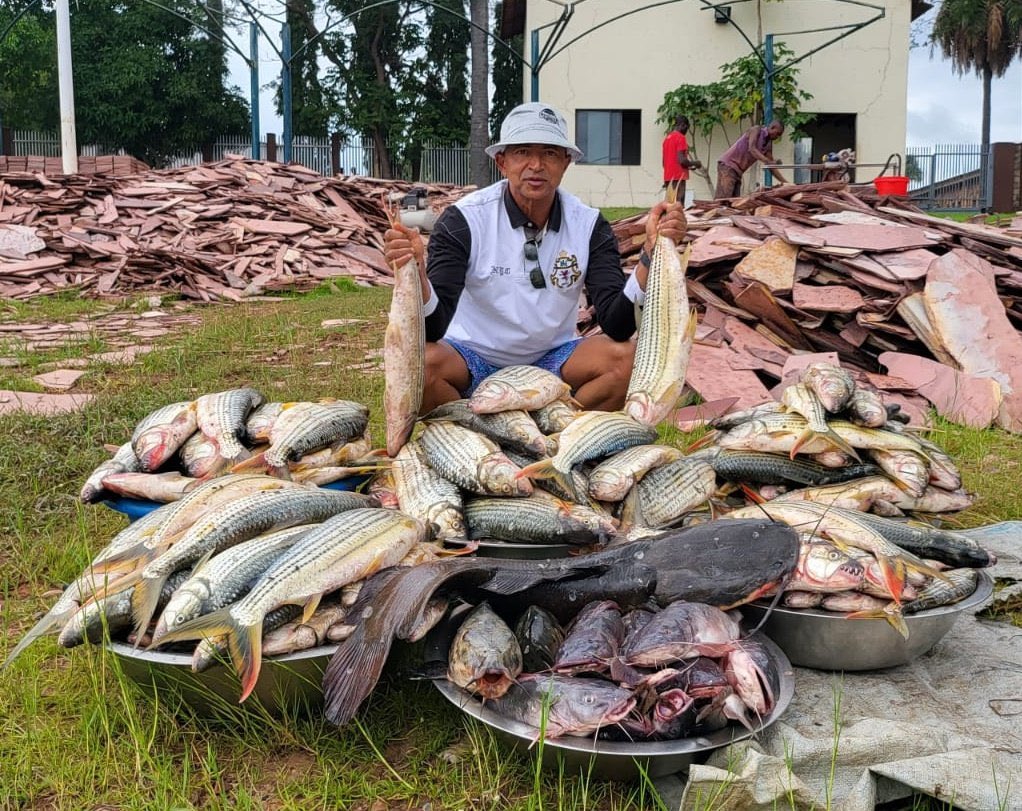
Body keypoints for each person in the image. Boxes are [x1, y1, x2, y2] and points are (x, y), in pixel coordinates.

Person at [383, 101, 687, 414]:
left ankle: (563, 432)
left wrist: (651, 254)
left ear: (566, 163)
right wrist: (416, 272)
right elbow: (433, 329)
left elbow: (617, 325)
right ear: (502, 162)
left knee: (625, 361)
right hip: (472, 358)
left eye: (550, 153)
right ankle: (476, 429)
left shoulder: (588, 225)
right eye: (523, 152)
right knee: (423, 365)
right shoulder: (465, 221)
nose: (536, 165)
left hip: (554, 360)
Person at [714, 120, 788, 199]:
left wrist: (785, 183)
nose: (777, 137)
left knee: (734, 201)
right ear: (772, 127)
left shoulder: (768, 144)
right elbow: (752, 149)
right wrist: (767, 161)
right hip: (728, 166)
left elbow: (771, 167)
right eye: (777, 133)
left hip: (738, 172)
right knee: (723, 199)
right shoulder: (756, 130)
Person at [662, 115, 701, 202]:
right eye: (687, 128)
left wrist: (688, 166)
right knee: (679, 205)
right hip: (678, 177)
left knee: (670, 204)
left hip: (668, 177)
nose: (686, 131)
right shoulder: (680, 137)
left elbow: (664, 162)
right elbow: (682, 161)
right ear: (683, 125)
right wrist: (696, 163)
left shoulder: (667, 139)